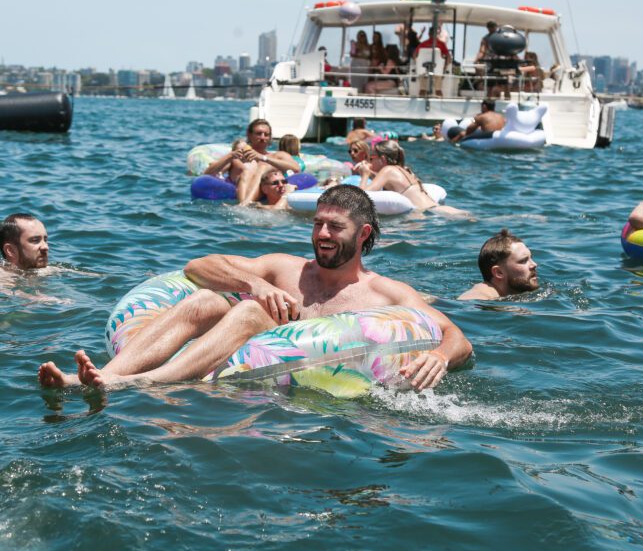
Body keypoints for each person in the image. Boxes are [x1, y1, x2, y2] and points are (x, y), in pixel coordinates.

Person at [38, 185, 472, 392]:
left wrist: (437, 355)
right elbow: (198, 266)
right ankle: (107, 378)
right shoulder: (286, 269)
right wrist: (255, 284)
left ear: (363, 236)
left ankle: (144, 381)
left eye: (334, 227)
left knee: (247, 313)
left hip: (299, 399)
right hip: (233, 364)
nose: (321, 233)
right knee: (208, 298)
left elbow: (457, 338)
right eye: (317, 223)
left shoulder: (387, 294)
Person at [356, 139, 472, 218]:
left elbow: (361, 197)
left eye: (371, 158)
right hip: (439, 210)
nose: (369, 162)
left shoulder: (387, 170)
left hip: (427, 215)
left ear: (383, 159)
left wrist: (364, 175)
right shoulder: (405, 170)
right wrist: (370, 173)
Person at [458, 229, 539, 300]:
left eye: (531, 258)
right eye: (523, 261)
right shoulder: (481, 296)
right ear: (498, 272)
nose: (534, 264)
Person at [234, 119, 296, 203]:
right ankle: (243, 204)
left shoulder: (278, 155)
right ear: (249, 135)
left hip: (268, 195)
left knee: (263, 167)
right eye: (259, 134)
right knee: (249, 168)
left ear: (270, 137)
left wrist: (263, 158)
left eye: (266, 134)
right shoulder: (240, 155)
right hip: (244, 193)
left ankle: (243, 205)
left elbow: (296, 168)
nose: (263, 137)